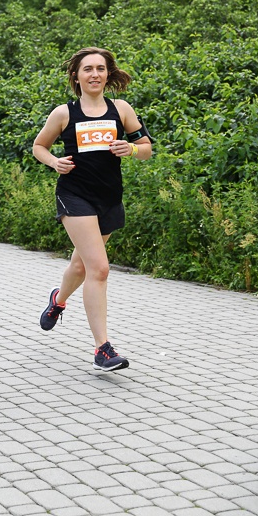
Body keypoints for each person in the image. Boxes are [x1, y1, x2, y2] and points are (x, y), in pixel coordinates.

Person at [32, 47, 153, 372]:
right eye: (88, 69)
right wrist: (54, 161)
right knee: (99, 268)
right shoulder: (64, 113)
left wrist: (130, 148)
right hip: (74, 196)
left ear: (108, 74)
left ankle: (57, 301)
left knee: (81, 266)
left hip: (109, 198)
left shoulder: (121, 109)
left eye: (100, 68)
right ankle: (103, 349)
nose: (95, 74)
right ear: (77, 76)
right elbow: (39, 146)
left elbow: (146, 149)